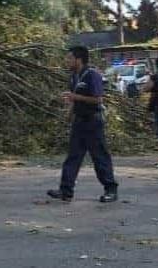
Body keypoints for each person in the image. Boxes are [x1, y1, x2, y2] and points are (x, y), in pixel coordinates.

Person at [47, 46, 118, 203]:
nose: (67, 61)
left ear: (78, 60)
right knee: (73, 156)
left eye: (69, 58)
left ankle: (110, 189)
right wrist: (69, 115)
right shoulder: (74, 76)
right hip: (79, 121)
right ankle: (66, 190)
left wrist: (75, 97)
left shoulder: (92, 75)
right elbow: (74, 98)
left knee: (99, 156)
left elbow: (98, 99)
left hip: (93, 121)